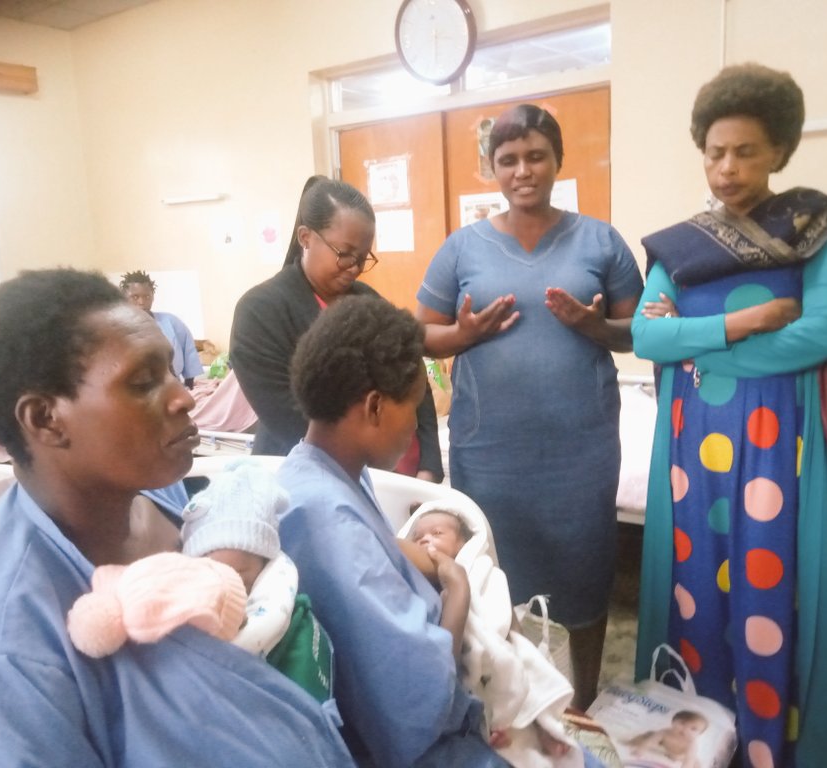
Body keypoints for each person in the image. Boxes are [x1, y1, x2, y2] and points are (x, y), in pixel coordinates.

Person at [0, 268, 354, 767]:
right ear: (45, 419)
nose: (183, 397)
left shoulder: (152, 493)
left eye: (170, 370)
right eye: (143, 382)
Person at [631, 63, 827, 768]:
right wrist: (745, 325)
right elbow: (646, 337)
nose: (726, 168)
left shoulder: (818, 230)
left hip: (782, 446)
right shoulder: (682, 246)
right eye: (714, 152)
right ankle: (701, 740)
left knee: (774, 589)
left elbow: (824, 331)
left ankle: (771, 746)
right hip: (692, 446)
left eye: (745, 151)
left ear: (779, 152)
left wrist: (699, 347)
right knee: (695, 588)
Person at [415, 104, 644, 708]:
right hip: (490, 452)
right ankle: (510, 703)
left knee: (584, 572)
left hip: (580, 452)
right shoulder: (462, 248)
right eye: (508, 159)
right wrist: (463, 335)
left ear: (557, 161)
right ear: (492, 168)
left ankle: (582, 704)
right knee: (493, 575)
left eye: (536, 156)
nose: (523, 170)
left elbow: (640, 332)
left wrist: (596, 327)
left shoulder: (600, 240)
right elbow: (420, 333)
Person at [276, 295, 509, 767]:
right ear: (375, 406)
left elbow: (378, 547)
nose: (417, 427)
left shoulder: (322, 469)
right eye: (416, 407)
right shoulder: (329, 522)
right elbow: (417, 700)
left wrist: (431, 560)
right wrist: (458, 592)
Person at [230, 175, 443, 481]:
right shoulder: (261, 310)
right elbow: (289, 418)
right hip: (318, 476)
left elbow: (413, 378)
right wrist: (370, 476)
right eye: (344, 254)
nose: (355, 268)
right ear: (306, 237)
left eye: (363, 257)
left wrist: (429, 464)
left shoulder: (366, 300)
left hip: (399, 472)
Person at [401, 501, 587, 768]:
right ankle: (496, 725)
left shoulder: (481, 571)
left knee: (527, 668)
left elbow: (502, 613)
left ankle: (545, 727)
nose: (425, 540)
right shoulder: (415, 580)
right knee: (486, 688)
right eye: (417, 537)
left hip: (495, 643)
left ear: (464, 544)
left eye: (437, 533)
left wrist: (506, 635)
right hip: (459, 664)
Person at [181, 457, 334, 703]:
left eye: (240, 579)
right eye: (209, 574)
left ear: (265, 570)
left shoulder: (295, 631)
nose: (223, 590)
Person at [120, 269, 203, 388]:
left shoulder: (170, 322)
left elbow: (189, 354)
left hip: (173, 385)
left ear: (153, 297)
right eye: (135, 297)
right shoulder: (119, 329)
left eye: (147, 296)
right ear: (124, 298)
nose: (142, 302)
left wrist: (189, 387)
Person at [624, 710, 708, 768]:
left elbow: (689, 758)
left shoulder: (691, 743)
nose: (685, 729)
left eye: (693, 729)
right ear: (673, 722)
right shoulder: (665, 732)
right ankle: (629, 741)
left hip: (680, 756)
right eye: (682, 723)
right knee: (646, 736)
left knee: (696, 764)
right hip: (664, 748)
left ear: (699, 734)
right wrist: (641, 749)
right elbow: (651, 741)